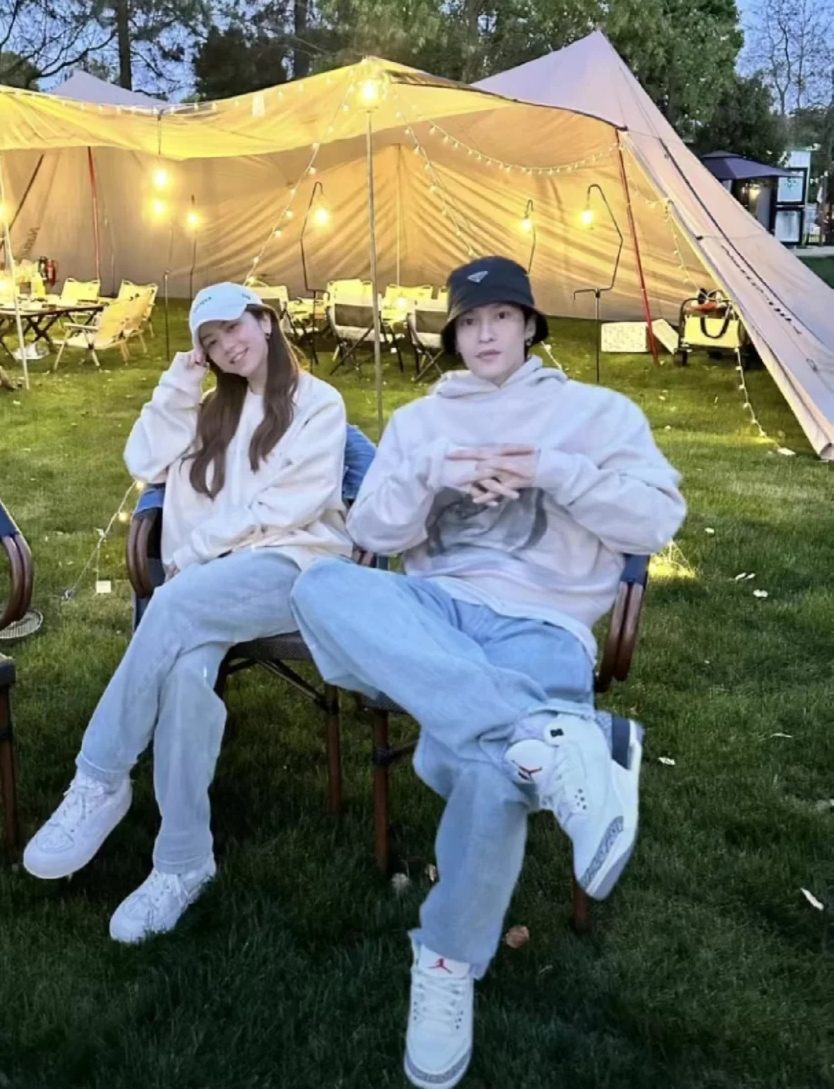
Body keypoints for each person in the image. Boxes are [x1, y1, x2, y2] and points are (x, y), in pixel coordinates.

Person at [290, 257, 685, 1089]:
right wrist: (432, 475)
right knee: (320, 585)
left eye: (501, 317)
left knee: (481, 765)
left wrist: (551, 469)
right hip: (437, 614)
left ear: (530, 324)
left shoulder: (597, 414)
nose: (485, 334)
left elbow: (656, 518)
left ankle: (444, 959)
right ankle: (558, 738)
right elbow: (374, 533)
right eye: (468, 322)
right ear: (453, 335)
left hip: (544, 625)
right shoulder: (420, 423)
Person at [24, 282, 351, 941]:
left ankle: (99, 777)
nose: (228, 346)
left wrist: (197, 552)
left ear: (265, 321)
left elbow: (290, 507)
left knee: (172, 604)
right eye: (211, 341)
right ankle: (183, 862)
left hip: (293, 569)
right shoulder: (208, 411)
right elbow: (142, 460)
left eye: (235, 327)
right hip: (208, 586)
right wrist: (178, 385)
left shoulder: (319, 403)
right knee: (183, 675)